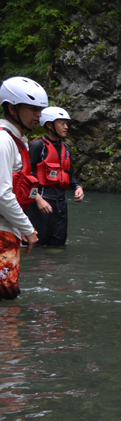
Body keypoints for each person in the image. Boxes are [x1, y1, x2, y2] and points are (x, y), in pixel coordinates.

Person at [0, 77, 47, 299]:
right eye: (33, 109)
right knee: (6, 296)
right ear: (11, 108)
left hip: (9, 228)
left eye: (40, 109)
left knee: (9, 294)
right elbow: (2, 194)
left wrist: (23, 227)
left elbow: (23, 184)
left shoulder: (20, 141)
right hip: (2, 230)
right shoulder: (3, 140)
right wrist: (28, 229)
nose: (39, 115)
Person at [26, 107, 84, 246]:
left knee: (58, 246)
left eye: (66, 123)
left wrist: (77, 187)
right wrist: (38, 199)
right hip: (40, 204)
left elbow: (69, 175)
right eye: (62, 123)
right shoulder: (37, 146)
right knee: (38, 245)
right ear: (49, 125)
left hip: (60, 205)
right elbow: (25, 177)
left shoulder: (66, 149)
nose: (66, 127)